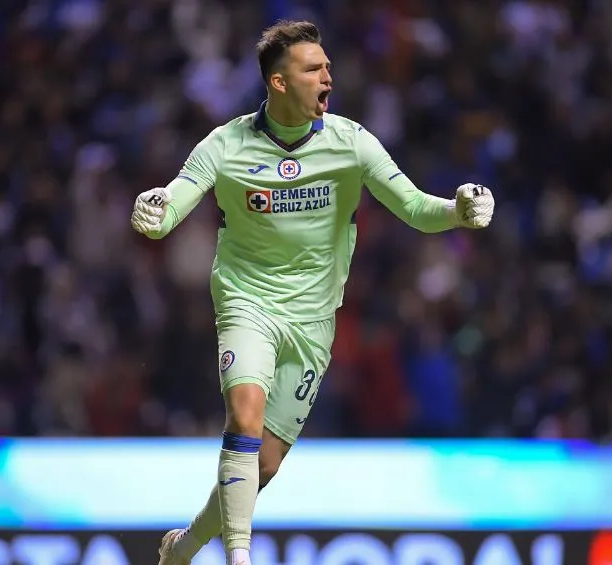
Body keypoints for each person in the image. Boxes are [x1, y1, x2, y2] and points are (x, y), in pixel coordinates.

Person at [131, 19, 495, 565]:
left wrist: (458, 212)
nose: (329, 76)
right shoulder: (226, 144)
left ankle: (186, 546)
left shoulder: (351, 144)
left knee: (266, 465)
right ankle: (239, 556)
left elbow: (416, 207)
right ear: (279, 83)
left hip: (313, 320)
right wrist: (154, 213)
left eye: (327, 66)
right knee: (244, 414)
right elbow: (175, 202)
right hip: (246, 301)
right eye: (314, 68)